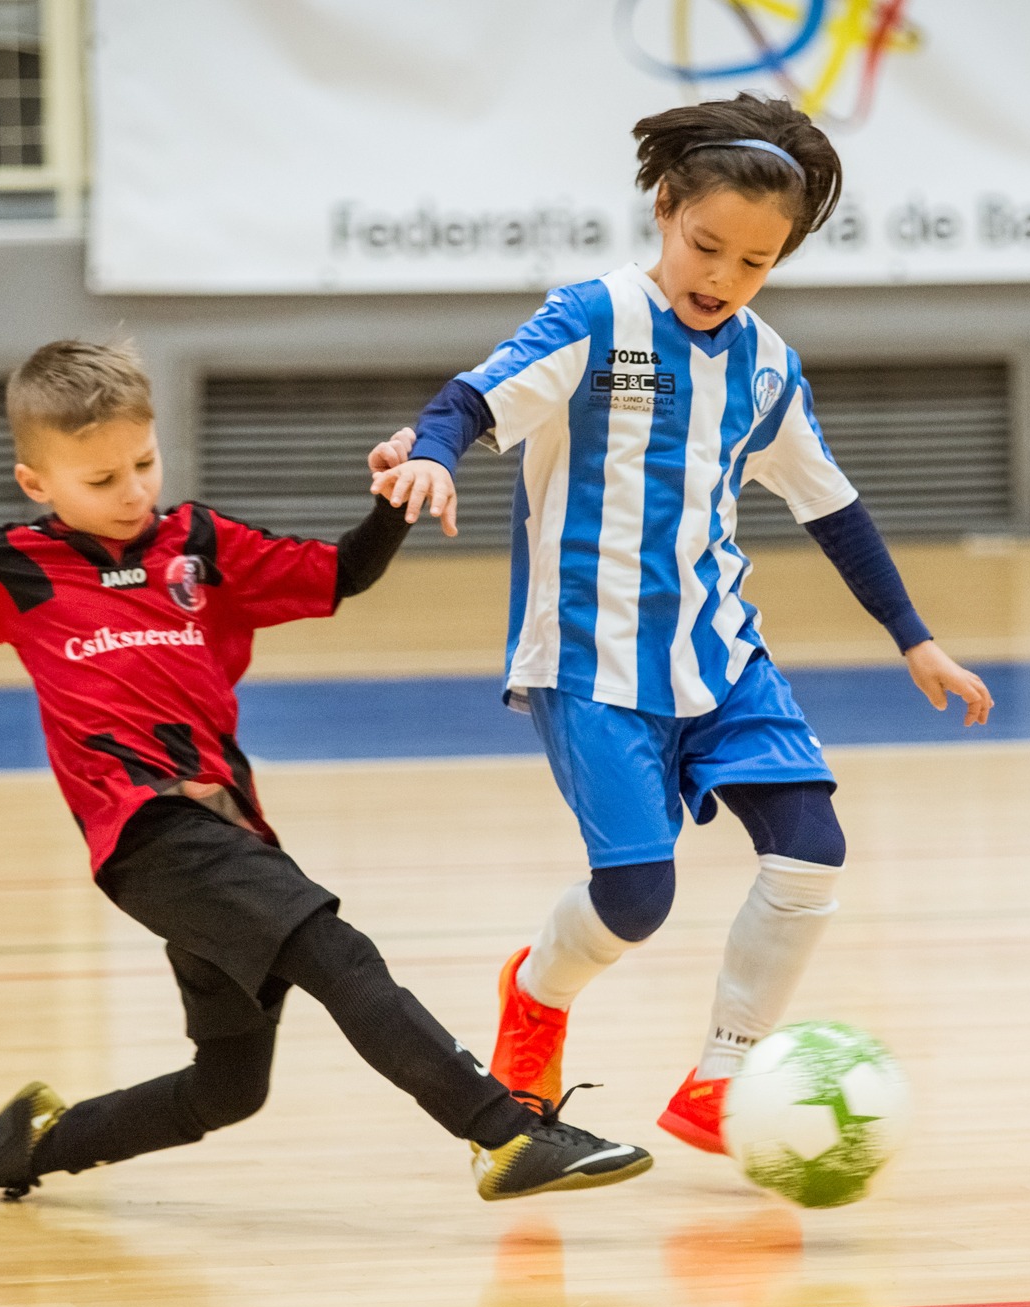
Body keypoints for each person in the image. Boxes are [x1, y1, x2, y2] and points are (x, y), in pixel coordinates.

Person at [0, 339, 651, 1203]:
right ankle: (506, 1134)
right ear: (39, 485)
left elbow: (342, 574)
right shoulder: (12, 565)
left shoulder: (199, 543)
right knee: (340, 955)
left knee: (228, 1088)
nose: (133, 489)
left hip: (228, 823)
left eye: (143, 462)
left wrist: (397, 499)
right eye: (101, 481)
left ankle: (28, 1143)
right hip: (144, 833)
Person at [368, 95, 994, 1155]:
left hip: (721, 652)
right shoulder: (591, 319)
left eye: (754, 263)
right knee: (635, 895)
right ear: (663, 209)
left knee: (810, 849)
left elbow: (829, 505)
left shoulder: (763, 364)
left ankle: (724, 1072)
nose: (721, 278)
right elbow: (472, 399)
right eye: (705, 246)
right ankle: (535, 991)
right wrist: (431, 448)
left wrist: (911, 634)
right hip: (588, 661)